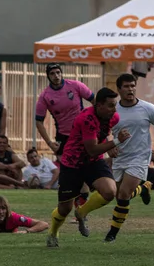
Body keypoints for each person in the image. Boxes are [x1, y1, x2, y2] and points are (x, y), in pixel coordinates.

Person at [46, 87, 130, 248]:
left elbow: (103, 138)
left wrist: (110, 144)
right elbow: (91, 149)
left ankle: (82, 212)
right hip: (73, 164)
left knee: (110, 191)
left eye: (115, 105)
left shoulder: (113, 117)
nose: (115, 109)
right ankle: (53, 232)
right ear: (99, 106)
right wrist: (115, 142)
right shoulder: (87, 119)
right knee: (64, 209)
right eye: (111, 105)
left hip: (93, 162)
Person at [103, 73, 154, 243]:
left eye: (133, 86)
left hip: (140, 157)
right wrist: (109, 148)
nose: (130, 89)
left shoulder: (148, 108)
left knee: (124, 194)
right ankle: (144, 188)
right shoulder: (113, 110)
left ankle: (112, 233)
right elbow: (100, 133)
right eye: (126, 86)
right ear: (119, 89)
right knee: (119, 195)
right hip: (120, 157)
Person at [35, 63, 95, 209]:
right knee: (70, 174)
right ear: (48, 76)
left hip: (82, 134)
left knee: (82, 172)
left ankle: (81, 208)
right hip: (63, 137)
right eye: (52, 74)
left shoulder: (75, 86)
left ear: (61, 73)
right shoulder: (45, 96)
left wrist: (94, 124)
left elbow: (95, 102)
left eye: (58, 72)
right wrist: (49, 142)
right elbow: (38, 122)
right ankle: (71, 205)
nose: (56, 76)